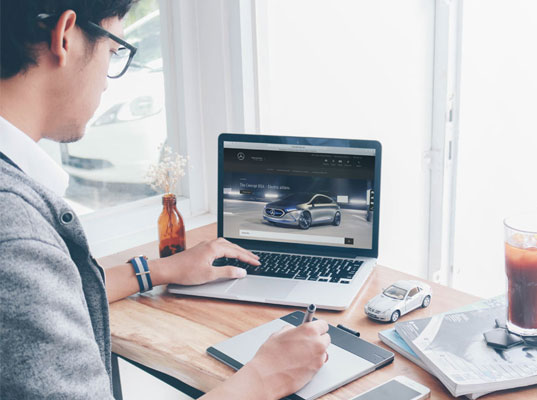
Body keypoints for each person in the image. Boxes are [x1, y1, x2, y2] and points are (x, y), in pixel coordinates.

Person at [0, 1, 330, 398]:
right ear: (65, 36)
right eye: (113, 50)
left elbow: (47, 297)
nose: (107, 79)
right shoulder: (16, 233)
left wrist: (158, 270)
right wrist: (266, 376)